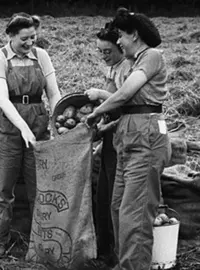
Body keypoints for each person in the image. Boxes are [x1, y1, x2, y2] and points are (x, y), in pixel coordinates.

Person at [86, 8, 171, 270]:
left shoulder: (152, 56)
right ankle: (125, 264)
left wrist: (98, 110)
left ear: (134, 34)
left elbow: (125, 94)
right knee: (118, 209)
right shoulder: (134, 62)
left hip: (146, 138)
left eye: (121, 35)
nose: (119, 41)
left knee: (135, 217)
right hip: (128, 139)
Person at [0, 13, 61, 257]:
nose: (29, 43)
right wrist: (23, 128)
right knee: (2, 186)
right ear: (10, 36)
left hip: (37, 121)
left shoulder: (41, 56)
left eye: (33, 38)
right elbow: (2, 99)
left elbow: (53, 93)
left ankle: (40, 239)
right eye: (24, 39)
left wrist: (57, 121)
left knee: (38, 185)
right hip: (6, 127)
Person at [88, 22, 131, 267]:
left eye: (107, 51)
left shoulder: (127, 68)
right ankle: (104, 251)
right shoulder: (113, 68)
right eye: (100, 51)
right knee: (103, 195)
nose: (103, 55)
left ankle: (116, 255)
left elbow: (126, 106)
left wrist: (102, 96)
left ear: (121, 47)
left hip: (121, 141)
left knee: (116, 197)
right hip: (108, 140)